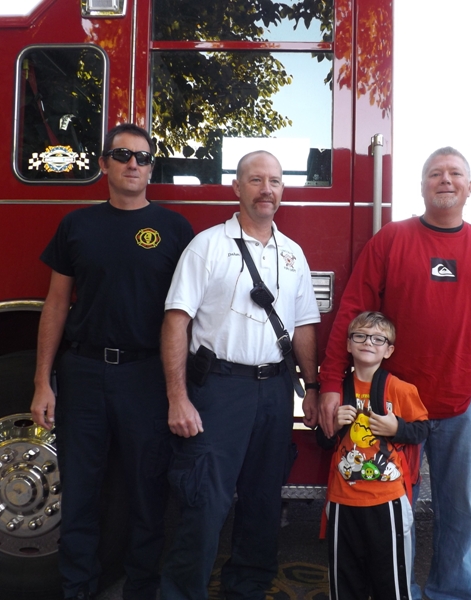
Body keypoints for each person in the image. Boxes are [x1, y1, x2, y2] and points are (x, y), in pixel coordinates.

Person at [318, 147, 471, 600]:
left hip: (461, 405)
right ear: (422, 185)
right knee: (394, 508)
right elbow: (352, 312)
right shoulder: (391, 240)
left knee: (459, 512)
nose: (445, 180)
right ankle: (398, 591)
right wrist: (332, 381)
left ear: (469, 186)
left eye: (455, 173)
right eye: (435, 173)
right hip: (392, 411)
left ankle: (450, 592)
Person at [29, 123, 194, 600]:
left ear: (151, 169)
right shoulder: (76, 225)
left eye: (143, 157)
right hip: (83, 373)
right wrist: (42, 382)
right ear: (104, 164)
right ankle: (77, 589)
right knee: (81, 492)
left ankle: (141, 588)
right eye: (122, 155)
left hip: (146, 376)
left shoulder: (175, 229)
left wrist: (180, 390)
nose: (133, 164)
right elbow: (56, 304)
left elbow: (185, 315)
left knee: (147, 493)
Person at [158, 150, 321, 600]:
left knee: (264, 500)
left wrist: (312, 388)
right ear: (236, 187)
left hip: (275, 391)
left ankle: (247, 588)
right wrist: (178, 397)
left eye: (275, 181)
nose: (266, 189)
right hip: (218, 389)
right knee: (204, 501)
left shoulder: (293, 254)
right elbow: (176, 321)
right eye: (256, 180)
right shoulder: (207, 246)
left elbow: (305, 326)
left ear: (283, 190)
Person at [319, 311, 429, 600]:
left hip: (387, 502)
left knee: (390, 583)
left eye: (378, 339)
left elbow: (422, 430)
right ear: (348, 344)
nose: (368, 342)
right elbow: (322, 440)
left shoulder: (401, 390)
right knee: (345, 582)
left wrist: (397, 428)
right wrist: (333, 426)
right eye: (360, 336)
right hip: (343, 501)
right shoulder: (335, 392)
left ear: (389, 350)